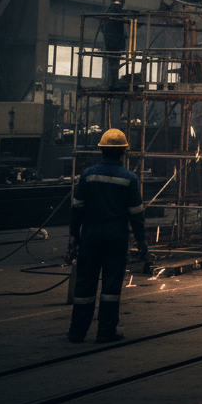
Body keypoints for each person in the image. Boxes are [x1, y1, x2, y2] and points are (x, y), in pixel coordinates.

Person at [67, 128, 149, 343]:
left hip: (91, 233)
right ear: (123, 152)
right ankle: (106, 331)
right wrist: (142, 243)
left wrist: (74, 235)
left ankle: (77, 332)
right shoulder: (129, 178)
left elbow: (77, 207)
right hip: (115, 235)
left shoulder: (88, 174)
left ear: (101, 149)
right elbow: (136, 215)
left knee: (85, 284)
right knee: (111, 286)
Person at [99, 0, 129, 89]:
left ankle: (112, 83)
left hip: (109, 43)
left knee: (112, 63)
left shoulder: (109, 11)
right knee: (115, 63)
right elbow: (123, 27)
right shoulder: (119, 11)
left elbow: (102, 28)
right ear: (123, 1)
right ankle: (114, 83)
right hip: (116, 43)